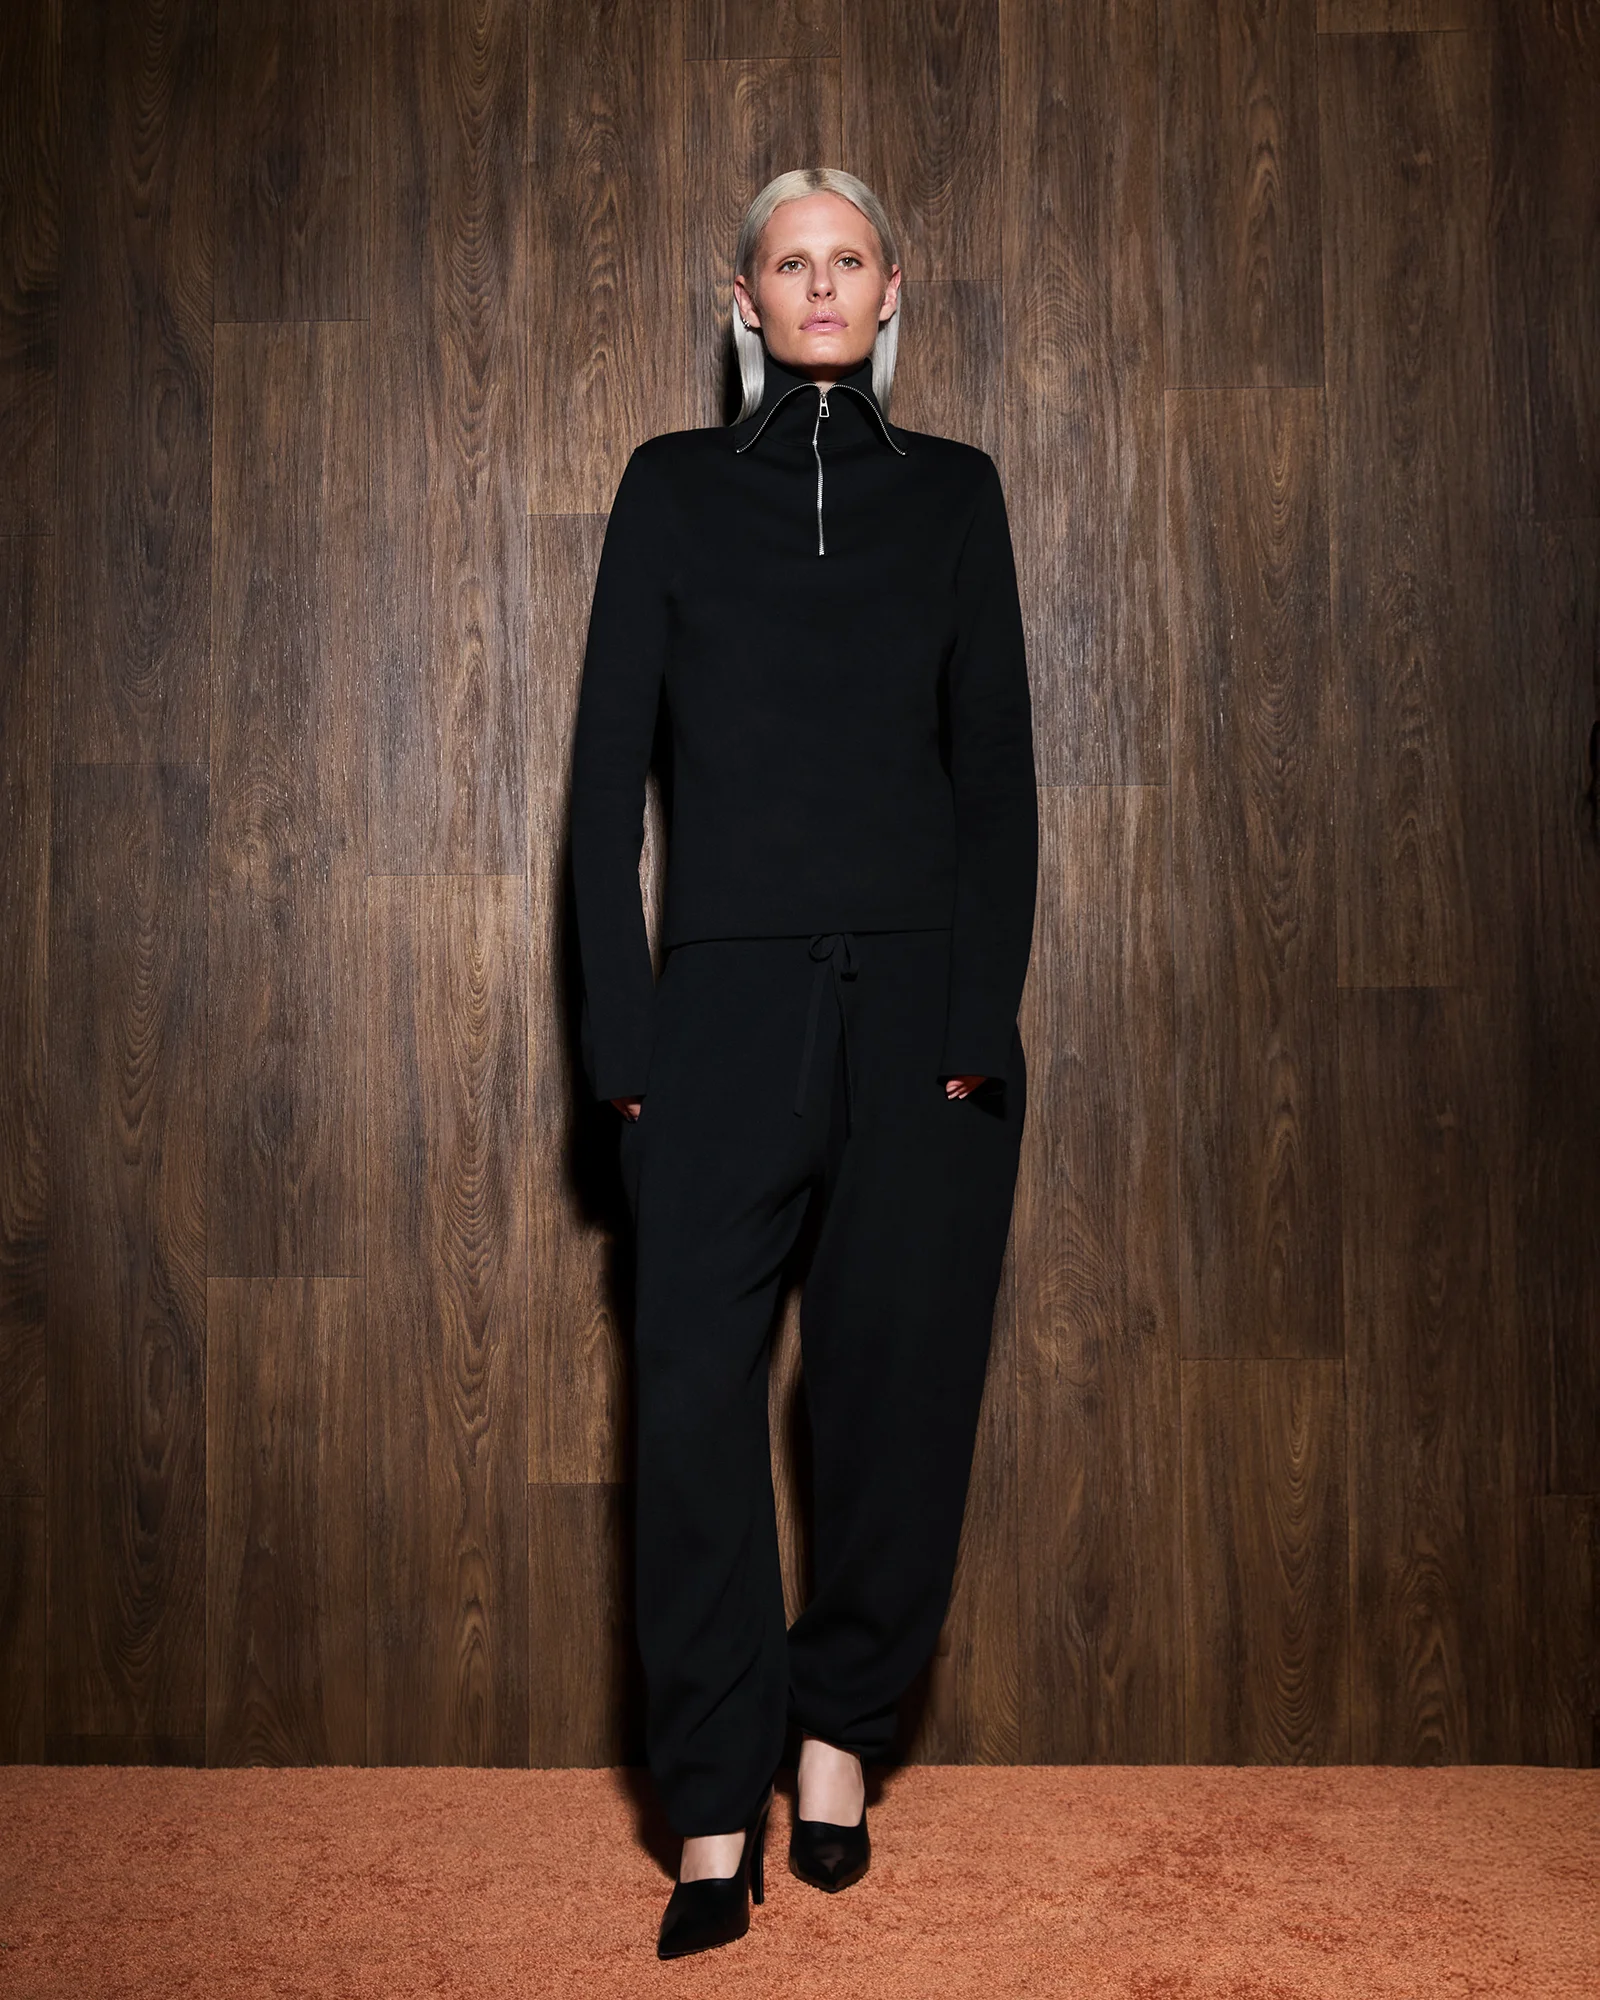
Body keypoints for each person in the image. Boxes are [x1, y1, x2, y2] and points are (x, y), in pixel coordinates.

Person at [568, 165, 1038, 1961]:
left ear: (890, 290)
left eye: (850, 260)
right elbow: (601, 784)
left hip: (920, 1021)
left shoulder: (956, 496)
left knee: (893, 1396)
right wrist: (625, 1041)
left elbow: (997, 786)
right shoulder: (671, 488)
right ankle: (711, 1800)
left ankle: (836, 1733)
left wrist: (976, 1028)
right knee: (692, 1405)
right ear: (745, 298)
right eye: (791, 261)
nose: (821, 284)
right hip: (719, 1020)